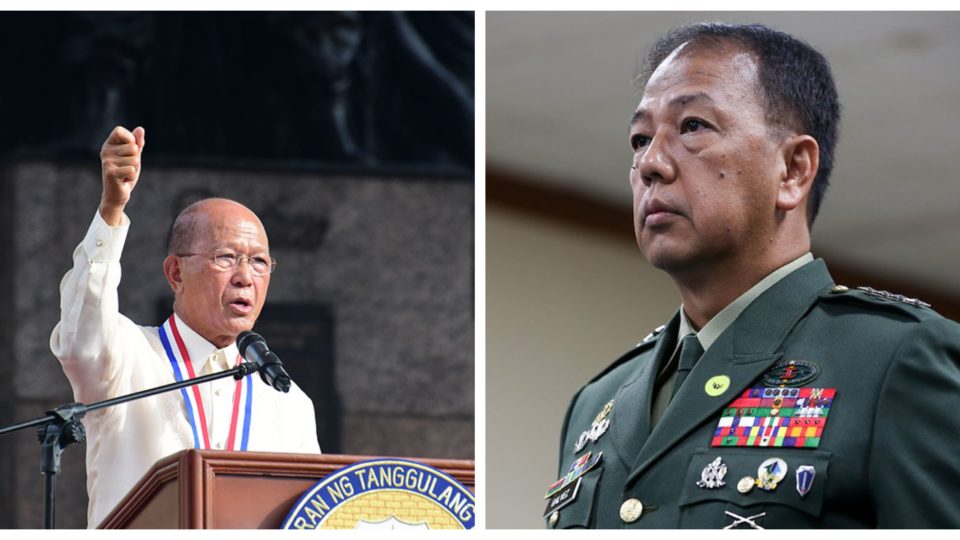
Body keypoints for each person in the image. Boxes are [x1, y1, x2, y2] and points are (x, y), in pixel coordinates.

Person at [547, 22, 960, 529]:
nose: (650, 163)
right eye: (639, 139)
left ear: (792, 170)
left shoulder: (896, 359)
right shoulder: (597, 402)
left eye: (693, 126)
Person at [50, 126, 321, 528]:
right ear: (176, 272)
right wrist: (111, 209)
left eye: (260, 262)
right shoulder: (126, 356)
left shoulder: (288, 401)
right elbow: (80, 328)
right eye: (227, 257)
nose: (246, 277)